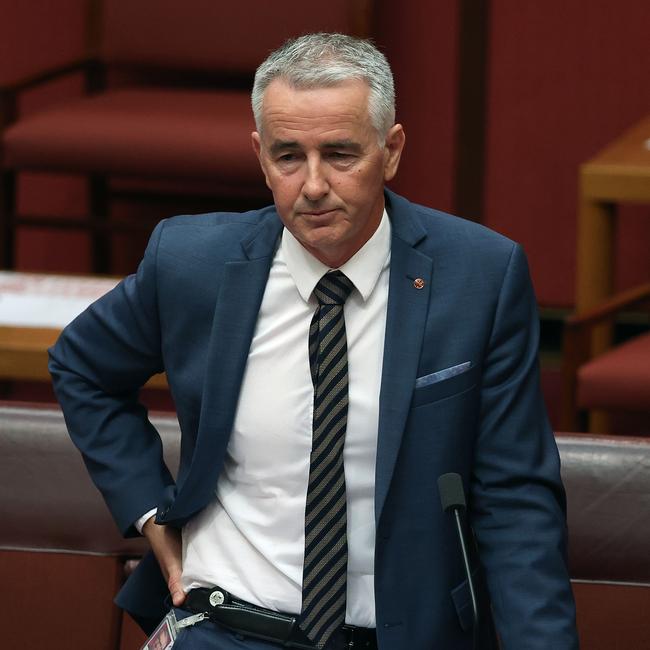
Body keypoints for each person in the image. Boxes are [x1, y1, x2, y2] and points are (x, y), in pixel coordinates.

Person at [49, 33, 578, 649]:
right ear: (259, 156)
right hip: (225, 622)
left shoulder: (480, 277)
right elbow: (81, 367)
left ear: (393, 150)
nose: (314, 184)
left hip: (398, 634)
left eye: (341, 154)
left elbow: (517, 502)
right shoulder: (192, 263)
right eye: (288, 156)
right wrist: (147, 508)